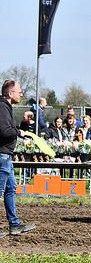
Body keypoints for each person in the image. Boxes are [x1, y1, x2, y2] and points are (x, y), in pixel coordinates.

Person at [0, 80, 36, 237]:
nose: (21, 94)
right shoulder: (2, 107)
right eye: (19, 92)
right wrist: (19, 133)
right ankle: (14, 223)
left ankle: (14, 224)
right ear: (10, 93)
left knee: (10, 189)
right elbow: (4, 131)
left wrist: (23, 125)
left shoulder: (6, 107)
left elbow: (11, 129)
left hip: (6, 156)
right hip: (2, 156)